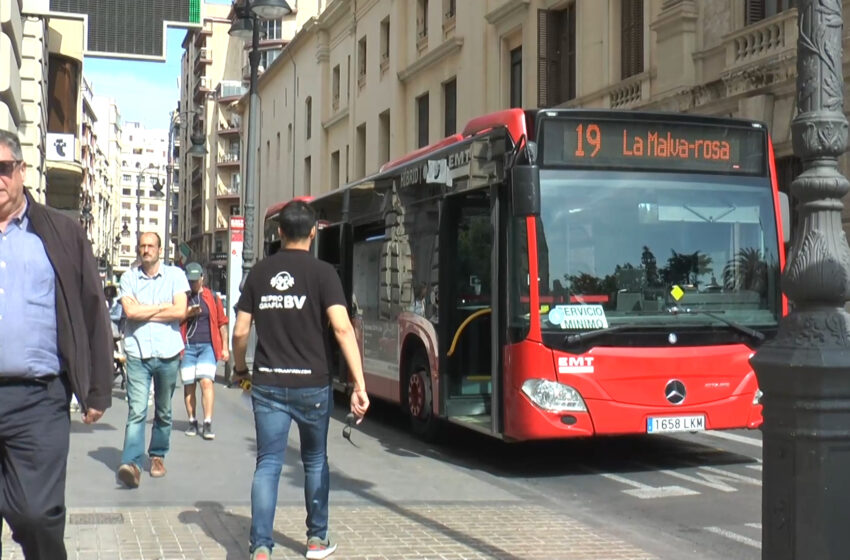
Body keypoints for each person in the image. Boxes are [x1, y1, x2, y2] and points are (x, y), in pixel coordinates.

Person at [232, 200, 370, 560]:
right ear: (314, 232)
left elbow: (241, 331)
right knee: (314, 460)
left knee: (268, 464)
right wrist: (359, 384)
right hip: (313, 385)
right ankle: (316, 541)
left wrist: (239, 368)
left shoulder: (259, 273)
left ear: (278, 233)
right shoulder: (324, 274)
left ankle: (261, 548)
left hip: (269, 385)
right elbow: (341, 327)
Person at [0, 129, 112, 558]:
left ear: (22, 172)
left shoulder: (61, 232)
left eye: (4, 169)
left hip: (39, 399)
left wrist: (96, 388)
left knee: (36, 514)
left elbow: (90, 307)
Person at [117, 231, 189, 488]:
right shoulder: (128, 278)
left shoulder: (176, 276)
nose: (146, 249)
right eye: (142, 246)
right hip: (137, 353)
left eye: (151, 245)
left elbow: (180, 311)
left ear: (160, 250)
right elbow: (130, 312)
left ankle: (157, 456)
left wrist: (145, 311)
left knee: (164, 411)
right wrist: (162, 307)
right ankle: (133, 463)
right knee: (137, 410)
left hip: (168, 353)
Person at [179, 262, 229, 440]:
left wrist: (225, 347)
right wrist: (187, 313)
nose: (193, 284)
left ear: (202, 278)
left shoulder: (212, 297)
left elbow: (222, 323)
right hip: (188, 347)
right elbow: (174, 319)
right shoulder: (182, 298)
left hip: (208, 345)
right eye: (190, 281)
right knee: (189, 384)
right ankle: (192, 421)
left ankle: (207, 422)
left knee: (206, 382)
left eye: (196, 280)